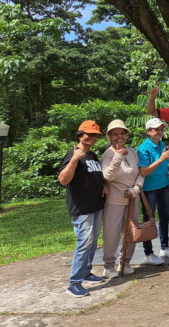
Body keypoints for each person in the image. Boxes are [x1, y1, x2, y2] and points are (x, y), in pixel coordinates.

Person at [58, 121, 105, 297]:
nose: (92, 137)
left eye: (95, 135)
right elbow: (63, 180)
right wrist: (74, 159)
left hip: (95, 205)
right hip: (81, 207)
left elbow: (96, 177)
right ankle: (74, 283)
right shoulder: (74, 154)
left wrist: (104, 185)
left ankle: (86, 272)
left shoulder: (92, 155)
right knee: (84, 242)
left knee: (92, 242)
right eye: (89, 134)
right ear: (80, 135)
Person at [100, 120, 143, 277]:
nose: (120, 137)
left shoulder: (132, 151)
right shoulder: (108, 154)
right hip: (114, 200)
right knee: (111, 233)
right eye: (115, 134)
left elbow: (140, 173)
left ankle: (125, 262)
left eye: (122, 133)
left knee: (131, 233)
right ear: (110, 137)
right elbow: (108, 176)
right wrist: (118, 156)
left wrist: (136, 188)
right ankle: (108, 265)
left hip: (133, 198)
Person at [137, 117, 169, 265]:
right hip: (149, 189)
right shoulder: (143, 148)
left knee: (165, 217)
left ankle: (165, 247)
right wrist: (161, 160)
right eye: (156, 129)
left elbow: (161, 166)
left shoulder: (162, 144)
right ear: (148, 131)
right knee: (149, 220)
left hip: (163, 185)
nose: (160, 131)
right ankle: (148, 253)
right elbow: (144, 171)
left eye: (161, 129)